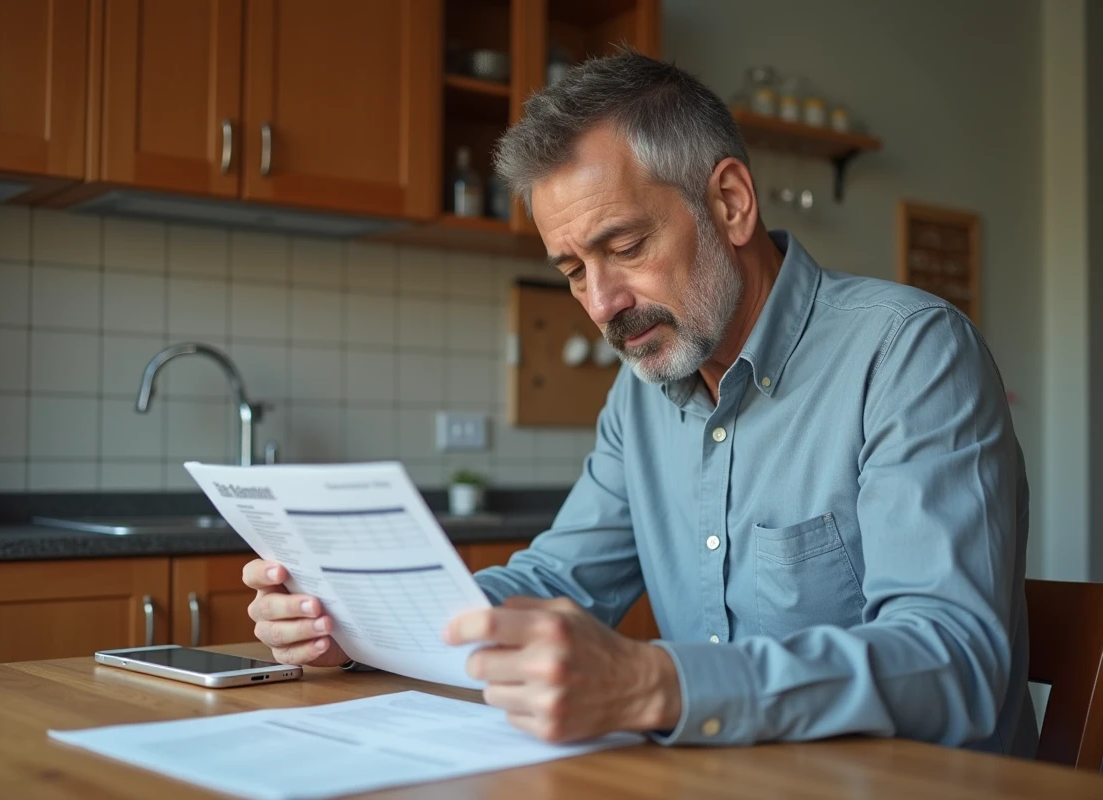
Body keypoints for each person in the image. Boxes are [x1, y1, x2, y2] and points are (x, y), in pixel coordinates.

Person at [243, 51, 1036, 754]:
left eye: (624, 248)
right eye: (572, 270)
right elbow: (561, 580)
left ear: (729, 202)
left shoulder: (909, 354)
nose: (599, 302)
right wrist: (354, 625)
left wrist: (659, 684)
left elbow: (950, 663)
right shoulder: (644, 391)